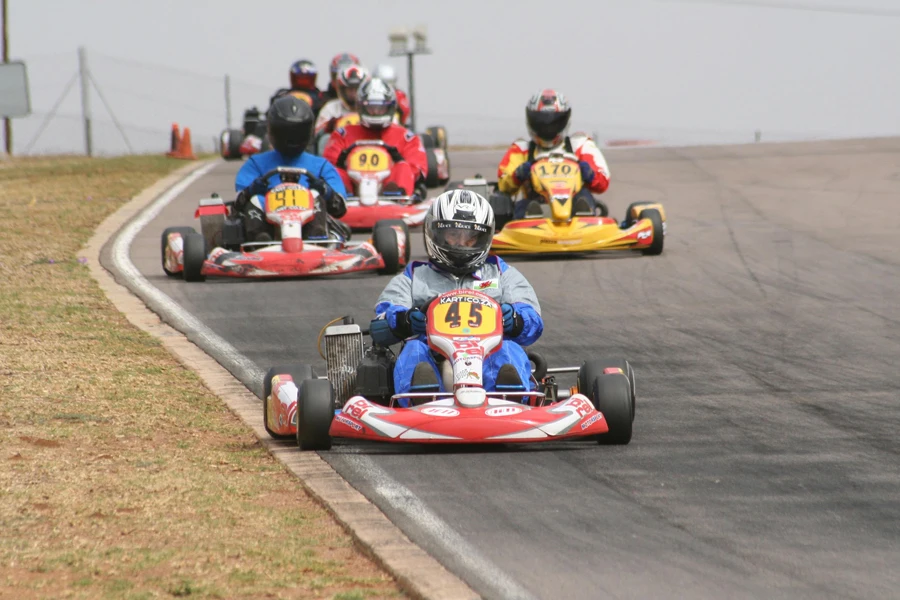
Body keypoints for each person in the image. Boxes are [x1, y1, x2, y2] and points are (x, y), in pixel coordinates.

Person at [372, 189, 543, 399]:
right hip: (434, 355)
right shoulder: (415, 277)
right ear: (435, 233)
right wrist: (404, 320)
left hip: (488, 354)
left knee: (509, 349)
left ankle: (508, 398)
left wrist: (516, 319)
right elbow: (381, 322)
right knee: (414, 350)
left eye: (470, 237)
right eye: (453, 235)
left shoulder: (500, 273)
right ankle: (421, 399)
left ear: (484, 237)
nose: (461, 243)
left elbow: (532, 318)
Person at [234, 95, 348, 243]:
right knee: (255, 201)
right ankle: (260, 242)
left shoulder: (320, 166)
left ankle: (316, 240)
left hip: (309, 226)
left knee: (315, 196)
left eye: (297, 133)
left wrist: (325, 191)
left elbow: (340, 208)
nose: (292, 138)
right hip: (269, 227)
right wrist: (251, 190)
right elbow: (238, 204)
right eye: (286, 133)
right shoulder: (256, 163)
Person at [495, 89, 611, 220]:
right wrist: (518, 175)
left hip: (574, 204)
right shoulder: (521, 149)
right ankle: (534, 217)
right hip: (535, 206)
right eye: (542, 123)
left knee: (583, 197)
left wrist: (589, 175)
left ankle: (583, 215)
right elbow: (503, 184)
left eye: (553, 122)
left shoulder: (580, 145)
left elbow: (603, 182)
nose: (547, 127)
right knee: (523, 206)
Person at [322, 77, 427, 196]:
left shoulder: (406, 137)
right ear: (361, 107)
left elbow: (418, 169)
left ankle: (395, 196)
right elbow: (329, 165)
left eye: (380, 108)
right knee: (336, 172)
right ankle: (341, 198)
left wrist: (397, 161)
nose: (376, 112)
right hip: (353, 192)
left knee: (403, 167)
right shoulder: (343, 134)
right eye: (371, 108)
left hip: (390, 190)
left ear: (390, 108)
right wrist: (342, 161)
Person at [315, 63, 369, 138]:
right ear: (342, 89)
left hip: (369, 146)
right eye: (350, 89)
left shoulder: (374, 109)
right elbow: (317, 135)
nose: (354, 93)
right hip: (339, 146)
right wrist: (328, 126)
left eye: (357, 89)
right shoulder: (331, 108)